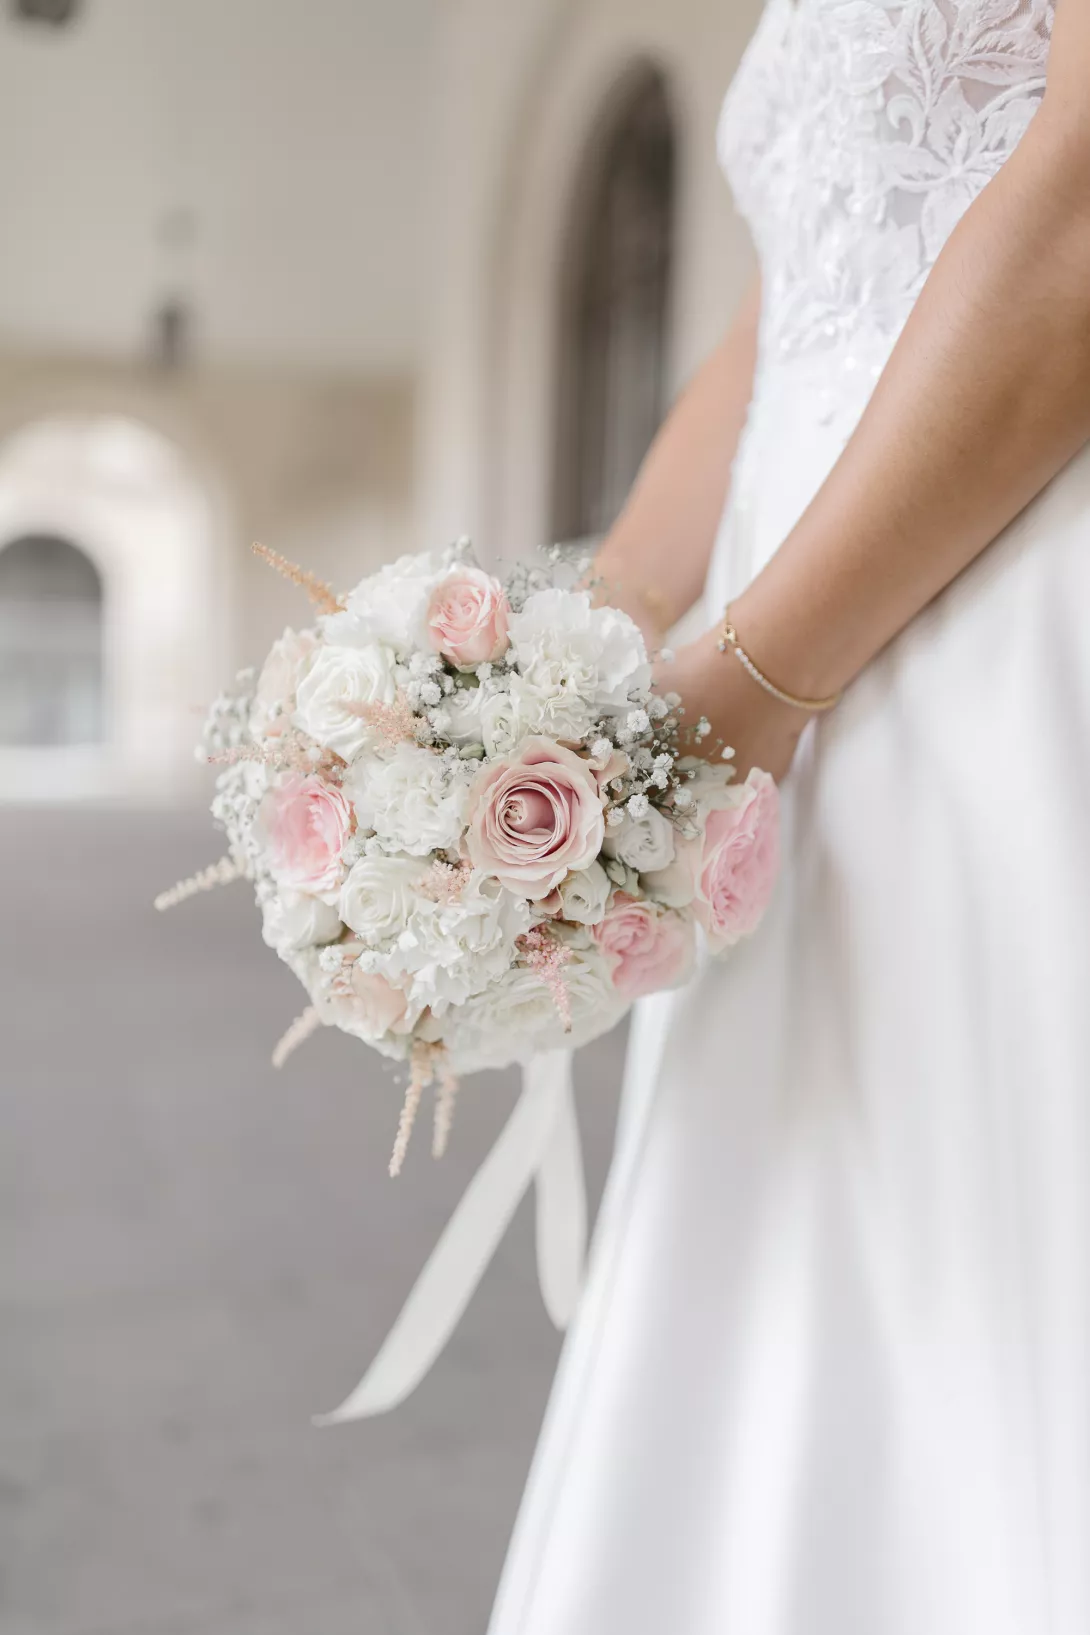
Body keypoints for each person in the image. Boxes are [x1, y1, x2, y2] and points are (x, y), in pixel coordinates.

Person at [488, 3, 1090, 1632]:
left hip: (1006, 599)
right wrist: (572, 648)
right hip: (787, 650)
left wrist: (741, 690)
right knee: (802, 1250)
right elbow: (788, 308)